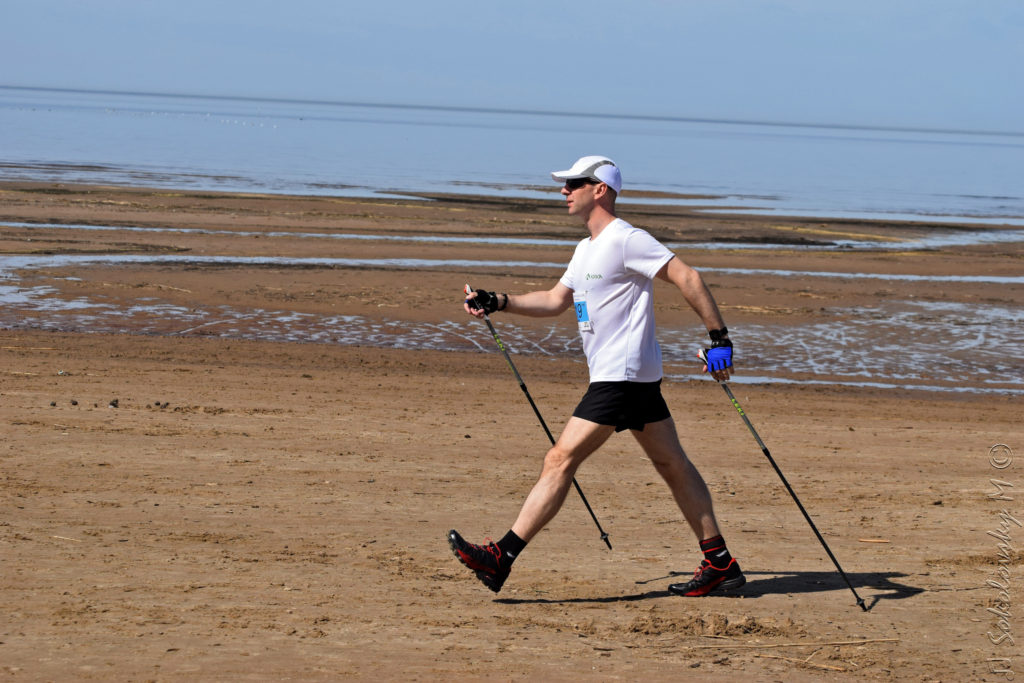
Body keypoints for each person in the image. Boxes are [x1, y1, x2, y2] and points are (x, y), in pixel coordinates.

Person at [448, 155, 743, 597]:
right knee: (672, 464)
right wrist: (498, 300)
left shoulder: (627, 240)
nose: (564, 191)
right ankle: (720, 563)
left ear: (600, 189)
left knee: (559, 459)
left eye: (574, 183)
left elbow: (687, 275)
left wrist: (719, 339)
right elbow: (554, 300)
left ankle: (500, 557)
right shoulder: (586, 249)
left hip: (620, 378)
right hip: (629, 378)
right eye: (565, 185)